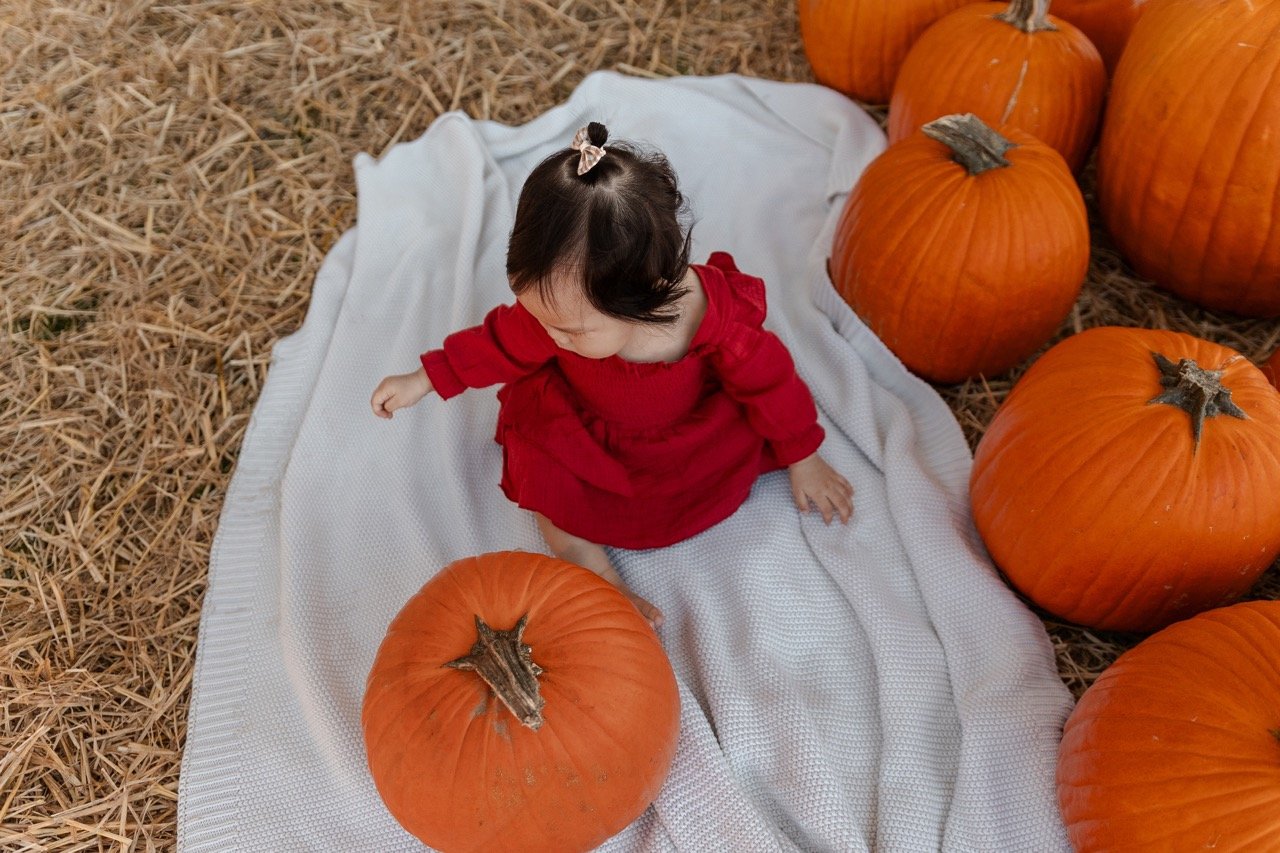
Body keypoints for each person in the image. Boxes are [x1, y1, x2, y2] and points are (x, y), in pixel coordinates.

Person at [370, 123, 853, 627]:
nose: (551, 337)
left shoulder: (711, 320)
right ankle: (597, 574)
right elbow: (498, 343)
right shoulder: (561, 314)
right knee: (547, 483)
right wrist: (425, 378)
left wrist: (805, 457)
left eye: (572, 331)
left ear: (646, 298)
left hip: (682, 438)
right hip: (586, 434)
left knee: (726, 453)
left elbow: (770, 383)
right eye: (536, 315)